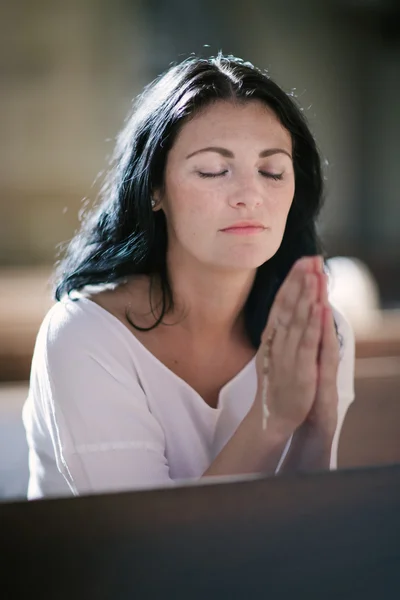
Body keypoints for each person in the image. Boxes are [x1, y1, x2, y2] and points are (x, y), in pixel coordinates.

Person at [22, 54, 355, 500]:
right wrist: (270, 419)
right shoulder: (85, 336)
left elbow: (314, 527)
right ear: (154, 188)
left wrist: (318, 423)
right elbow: (145, 554)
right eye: (214, 170)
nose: (250, 195)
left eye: (271, 171)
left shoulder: (315, 331)